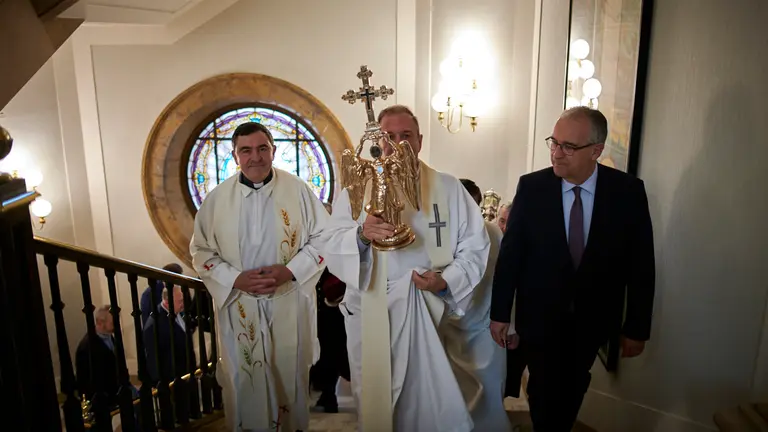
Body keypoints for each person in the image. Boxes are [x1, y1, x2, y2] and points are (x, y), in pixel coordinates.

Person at [322, 105, 490, 431]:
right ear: (377, 141)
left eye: (406, 135)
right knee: (376, 401)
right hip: (370, 312)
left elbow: (475, 247)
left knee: (427, 402)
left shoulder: (450, 189)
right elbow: (332, 244)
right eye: (389, 136)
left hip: (428, 311)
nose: (398, 144)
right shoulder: (356, 191)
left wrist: (444, 282)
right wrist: (360, 234)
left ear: (421, 140)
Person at [490, 107, 655, 431]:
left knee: (573, 385)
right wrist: (500, 313)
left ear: (596, 151)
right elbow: (512, 256)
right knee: (543, 388)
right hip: (539, 316)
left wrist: (637, 327)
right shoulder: (533, 188)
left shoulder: (627, 193)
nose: (556, 153)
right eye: (553, 142)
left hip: (593, 319)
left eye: (568, 146)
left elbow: (641, 265)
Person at [190, 121, 328, 432]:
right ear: (235, 154)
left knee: (288, 378)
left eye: (262, 148)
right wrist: (234, 279)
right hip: (240, 306)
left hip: (288, 301)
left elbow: (324, 238)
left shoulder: (299, 191)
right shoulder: (215, 201)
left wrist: (290, 270)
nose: (256, 157)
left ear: (274, 151)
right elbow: (200, 251)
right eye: (246, 150)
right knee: (245, 379)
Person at [441, 178, 509, 431]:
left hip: (486, 327)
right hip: (448, 328)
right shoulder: (441, 234)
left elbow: (506, 279)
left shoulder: (493, 233)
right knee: (452, 393)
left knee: (488, 392)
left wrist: (509, 324)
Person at [310, 203, 351, 414]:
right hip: (315, 304)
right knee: (321, 351)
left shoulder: (337, 236)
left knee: (332, 352)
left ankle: (329, 396)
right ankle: (325, 395)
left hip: (332, 305)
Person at [143, 285, 196, 384]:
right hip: (173, 381)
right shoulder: (155, 325)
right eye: (180, 301)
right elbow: (155, 361)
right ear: (167, 302)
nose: (183, 304)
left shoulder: (177, 312)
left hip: (186, 376)